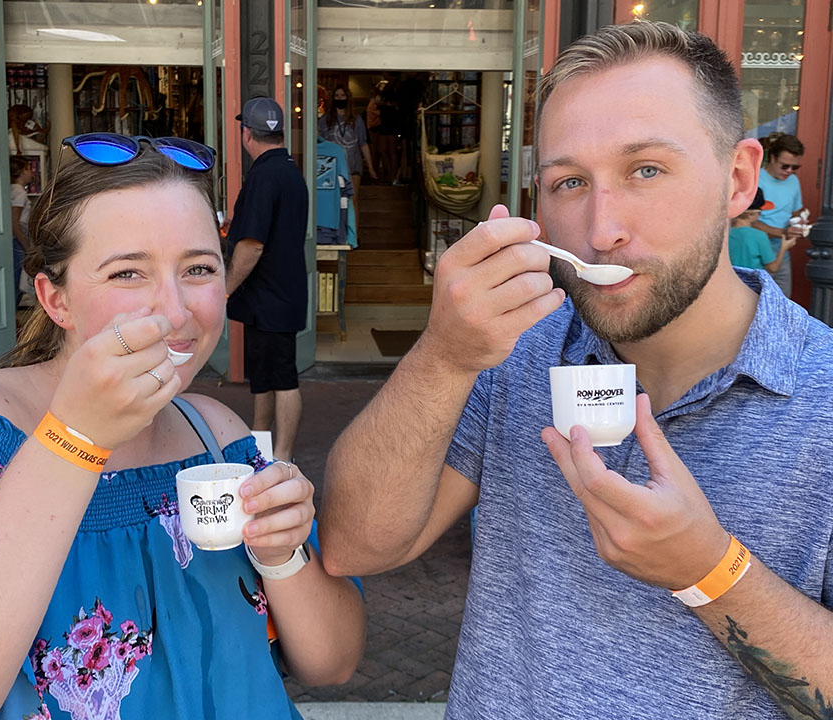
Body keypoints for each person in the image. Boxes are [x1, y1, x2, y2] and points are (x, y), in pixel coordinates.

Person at [320, 21, 833, 719]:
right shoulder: (519, 350)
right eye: (569, 182)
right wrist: (444, 353)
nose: (600, 230)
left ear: (739, 178)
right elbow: (358, 545)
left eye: (645, 170)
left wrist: (709, 569)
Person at [0, 133, 365, 720]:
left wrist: (285, 556)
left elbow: (333, 663)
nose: (176, 311)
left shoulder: (218, 437)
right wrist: (75, 438)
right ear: (55, 299)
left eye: (199, 268)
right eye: (128, 273)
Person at [227, 98, 308, 463]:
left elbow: (251, 245)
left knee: (282, 377)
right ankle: (260, 447)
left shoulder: (263, 175)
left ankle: (283, 456)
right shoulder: (290, 171)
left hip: (270, 296)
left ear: (247, 134)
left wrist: (224, 287)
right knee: (265, 377)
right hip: (277, 294)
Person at [752, 133, 808, 298]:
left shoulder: (793, 181)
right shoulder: (756, 179)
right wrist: (784, 233)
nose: (789, 171)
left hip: (781, 254)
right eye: (785, 166)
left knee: (783, 308)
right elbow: (745, 221)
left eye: (795, 167)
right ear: (773, 158)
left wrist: (799, 221)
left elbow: (795, 210)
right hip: (756, 255)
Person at [318, 85, 377, 222]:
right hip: (331, 167)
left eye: (342, 96)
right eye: (337, 96)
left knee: (353, 199)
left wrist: (371, 167)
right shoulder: (325, 120)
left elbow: (363, 144)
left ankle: (354, 235)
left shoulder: (357, 120)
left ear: (348, 98)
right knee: (333, 200)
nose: (340, 98)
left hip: (353, 165)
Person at [729, 187, 796, 273]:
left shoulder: (726, 234)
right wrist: (784, 247)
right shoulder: (759, 235)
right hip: (750, 284)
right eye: (760, 212)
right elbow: (773, 268)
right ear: (751, 214)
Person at [10, 155, 34, 307]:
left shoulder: (9, 190)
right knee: (16, 281)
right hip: (17, 241)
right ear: (22, 171)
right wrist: (26, 247)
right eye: (29, 168)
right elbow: (15, 222)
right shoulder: (20, 193)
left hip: (12, 241)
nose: (32, 172)